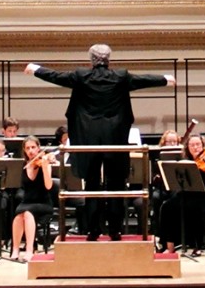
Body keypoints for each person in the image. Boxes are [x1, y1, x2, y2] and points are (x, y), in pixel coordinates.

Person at [24, 44, 173, 240]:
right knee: (116, 184)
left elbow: (56, 76)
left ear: (91, 59)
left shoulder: (81, 76)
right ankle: (115, 231)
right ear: (108, 59)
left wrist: (35, 69)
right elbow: (142, 80)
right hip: (114, 138)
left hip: (88, 138)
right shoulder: (121, 76)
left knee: (92, 184)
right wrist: (165, 79)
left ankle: (93, 230)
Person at [9, 136, 56, 261]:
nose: (31, 151)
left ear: (38, 148)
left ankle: (30, 250)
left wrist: (45, 167)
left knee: (27, 213)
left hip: (43, 203)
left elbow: (48, 186)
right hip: (27, 201)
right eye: (28, 148)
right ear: (24, 150)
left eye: (33, 147)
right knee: (18, 216)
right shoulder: (24, 166)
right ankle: (15, 249)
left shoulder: (44, 163)